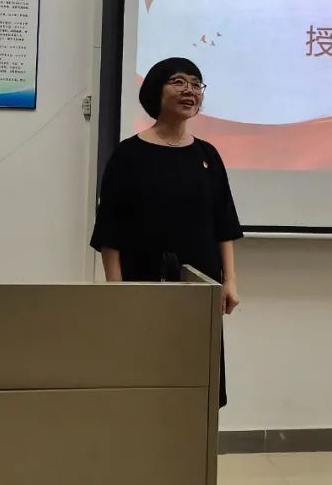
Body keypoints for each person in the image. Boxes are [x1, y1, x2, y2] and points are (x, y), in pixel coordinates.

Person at [91, 57, 243, 408]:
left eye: (196, 84)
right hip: (142, 283)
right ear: (154, 91)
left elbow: (224, 223)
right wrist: (116, 291)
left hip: (200, 286)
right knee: (144, 378)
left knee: (198, 383)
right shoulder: (129, 154)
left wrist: (230, 281)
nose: (190, 90)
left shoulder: (207, 154)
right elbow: (110, 230)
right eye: (178, 81)